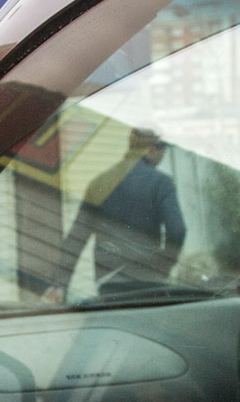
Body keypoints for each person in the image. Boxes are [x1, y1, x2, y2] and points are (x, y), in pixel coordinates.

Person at [51, 126, 186, 299]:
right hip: (150, 283)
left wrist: (60, 284)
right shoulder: (162, 183)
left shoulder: (99, 182)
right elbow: (177, 230)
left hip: (110, 283)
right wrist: (164, 266)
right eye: (163, 150)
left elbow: (76, 238)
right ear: (153, 150)